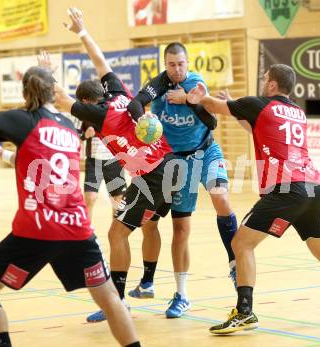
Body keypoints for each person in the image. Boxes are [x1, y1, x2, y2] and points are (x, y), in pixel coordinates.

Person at [186, 63, 320, 334]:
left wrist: (195, 97)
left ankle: (245, 312)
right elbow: (258, 129)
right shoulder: (297, 112)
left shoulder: (258, 103)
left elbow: (213, 107)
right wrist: (232, 105)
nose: (263, 82)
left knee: (241, 243)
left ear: (273, 84)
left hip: (287, 188)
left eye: (265, 79)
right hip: (314, 187)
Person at [0, 64, 140, 346]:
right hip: (78, 229)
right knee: (110, 297)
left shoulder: (21, 120)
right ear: (54, 92)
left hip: (36, 229)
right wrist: (1, 149)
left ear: (25, 92)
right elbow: (35, 158)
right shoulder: (68, 128)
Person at [55, 7, 179, 323]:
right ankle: (147, 283)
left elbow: (58, 99)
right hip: (170, 168)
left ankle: (118, 302)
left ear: (87, 104)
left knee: (116, 233)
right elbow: (101, 63)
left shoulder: (98, 115)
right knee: (148, 226)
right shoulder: (121, 94)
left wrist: (47, 71)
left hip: (153, 176)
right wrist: (82, 32)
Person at [125, 42, 238, 318]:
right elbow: (134, 103)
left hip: (205, 151)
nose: (177, 69)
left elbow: (212, 123)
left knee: (220, 196)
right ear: (166, 64)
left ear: (188, 64)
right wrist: (144, 120)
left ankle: (235, 261)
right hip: (176, 163)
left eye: (181, 64)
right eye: (172, 64)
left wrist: (189, 100)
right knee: (180, 230)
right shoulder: (159, 87)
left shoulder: (196, 84)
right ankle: (181, 294)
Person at [76, 80, 128, 218]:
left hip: (114, 160)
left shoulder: (112, 109)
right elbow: (74, 137)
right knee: (90, 198)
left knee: (118, 201)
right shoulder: (83, 114)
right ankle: (86, 234)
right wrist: (84, 135)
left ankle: (116, 234)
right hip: (94, 161)